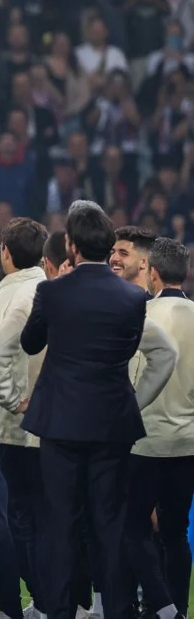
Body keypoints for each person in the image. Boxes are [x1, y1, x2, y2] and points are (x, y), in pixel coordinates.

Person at [20, 203, 176, 619]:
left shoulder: (52, 291)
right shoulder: (133, 297)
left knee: (59, 524)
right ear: (109, 248)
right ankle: (116, 610)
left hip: (60, 422)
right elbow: (129, 350)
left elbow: (31, 343)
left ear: (69, 244)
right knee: (109, 523)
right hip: (112, 422)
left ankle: (60, 610)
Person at [0, 219, 51, 617]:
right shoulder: (54, 292)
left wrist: (12, 400)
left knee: (14, 523)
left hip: (7, 431)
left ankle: (36, 604)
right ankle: (59, 602)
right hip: (56, 426)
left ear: (5, 253)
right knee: (50, 521)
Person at [125, 238, 194, 619]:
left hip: (145, 441)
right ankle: (178, 609)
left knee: (135, 527)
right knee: (175, 532)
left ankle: (162, 608)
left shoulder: (142, 317)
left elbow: (133, 377)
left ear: (151, 271)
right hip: (187, 442)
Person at [110, 225, 157, 291]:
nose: (113, 258)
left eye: (123, 254)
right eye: (112, 252)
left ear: (144, 262)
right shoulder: (109, 296)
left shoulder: (161, 300)